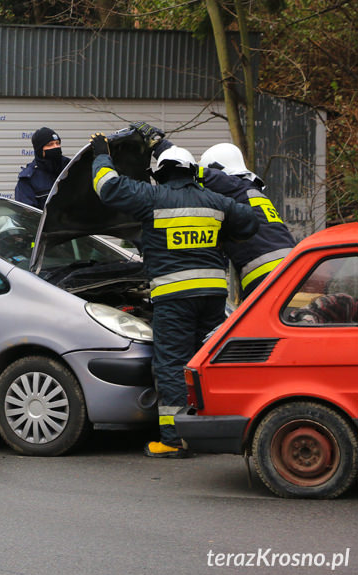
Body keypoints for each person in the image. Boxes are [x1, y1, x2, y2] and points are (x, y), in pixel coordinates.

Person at [89, 130, 259, 458]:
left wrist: (101, 153)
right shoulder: (215, 202)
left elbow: (107, 187)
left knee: (172, 364)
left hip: (174, 300)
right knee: (204, 361)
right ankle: (210, 431)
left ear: (162, 174)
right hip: (212, 297)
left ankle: (173, 439)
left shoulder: (153, 198)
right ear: (190, 171)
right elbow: (250, 222)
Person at [147, 132, 297, 298]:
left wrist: (162, 147)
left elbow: (188, 170)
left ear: (218, 169)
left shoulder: (231, 185)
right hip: (292, 267)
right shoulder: (248, 191)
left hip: (266, 275)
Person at [15, 127, 69, 210]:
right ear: (39, 150)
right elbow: (27, 215)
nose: (55, 147)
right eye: (50, 144)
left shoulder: (71, 167)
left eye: (57, 143)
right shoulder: (28, 180)